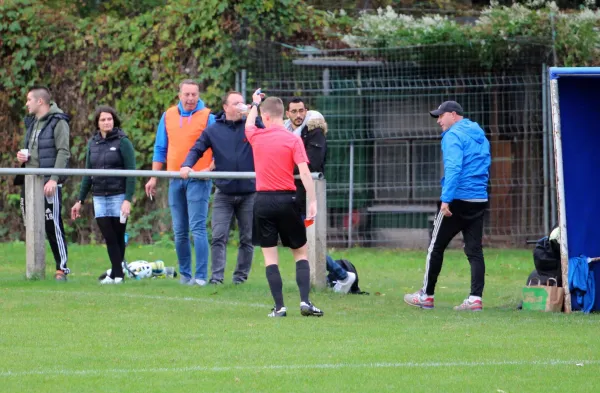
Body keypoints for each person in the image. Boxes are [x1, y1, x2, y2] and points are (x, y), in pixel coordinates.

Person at [404, 101, 491, 311]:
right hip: (479, 198)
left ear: (453, 115)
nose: (439, 121)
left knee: (436, 246)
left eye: (441, 116)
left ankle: (426, 295)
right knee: (475, 250)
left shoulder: (453, 135)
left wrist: (446, 199)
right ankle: (475, 299)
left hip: (458, 199)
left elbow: (453, 167)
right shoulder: (478, 133)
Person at [245, 89, 323, 317]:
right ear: (284, 114)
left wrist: (253, 104)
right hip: (287, 200)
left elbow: (249, 125)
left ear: (265, 117)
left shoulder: (256, 136)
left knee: (270, 258)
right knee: (300, 253)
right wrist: (313, 200)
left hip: (263, 201)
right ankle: (305, 302)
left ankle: (279, 307)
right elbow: (306, 173)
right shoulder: (293, 139)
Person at [180, 91, 258, 285]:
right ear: (225, 107)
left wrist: (254, 112)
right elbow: (197, 148)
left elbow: (267, 131)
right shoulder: (213, 130)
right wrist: (187, 164)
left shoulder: (252, 126)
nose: (241, 106)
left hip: (249, 192)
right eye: (236, 103)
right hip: (224, 192)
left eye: (242, 102)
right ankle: (216, 278)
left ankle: (240, 278)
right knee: (218, 236)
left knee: (247, 238)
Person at [145, 79, 215, 286]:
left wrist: (208, 169)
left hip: (198, 179)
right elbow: (160, 148)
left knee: (198, 228)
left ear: (199, 95)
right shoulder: (168, 115)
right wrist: (154, 177)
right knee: (179, 230)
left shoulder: (208, 116)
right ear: (179, 95)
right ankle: (185, 275)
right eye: (187, 94)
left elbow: (219, 147)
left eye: (194, 94)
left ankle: (201, 277)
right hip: (174, 178)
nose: (190, 98)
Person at [285, 99, 356, 293]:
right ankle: (335, 276)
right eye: (294, 111)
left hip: (308, 196)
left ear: (306, 111)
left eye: (301, 111)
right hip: (290, 193)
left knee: (305, 240)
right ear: (287, 113)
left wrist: (284, 168)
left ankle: (341, 275)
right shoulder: (285, 131)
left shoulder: (315, 132)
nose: (298, 115)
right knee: (300, 240)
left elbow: (312, 163)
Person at [71, 106, 136, 284]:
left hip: (118, 196)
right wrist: (80, 200)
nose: (107, 122)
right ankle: (117, 274)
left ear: (114, 121)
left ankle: (116, 275)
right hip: (99, 196)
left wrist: (127, 199)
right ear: (97, 123)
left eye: (109, 119)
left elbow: (132, 172)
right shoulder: (92, 144)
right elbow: (88, 174)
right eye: (103, 120)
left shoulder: (123, 142)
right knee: (109, 236)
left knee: (117, 235)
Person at [16, 86, 71, 281]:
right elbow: (34, 150)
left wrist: (54, 179)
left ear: (40, 101)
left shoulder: (59, 121)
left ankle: (61, 269)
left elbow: (63, 152)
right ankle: (34, 269)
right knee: (29, 223)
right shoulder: (31, 122)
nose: (26, 103)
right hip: (29, 181)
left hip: (48, 182)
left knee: (52, 224)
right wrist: (23, 157)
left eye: (29, 99)